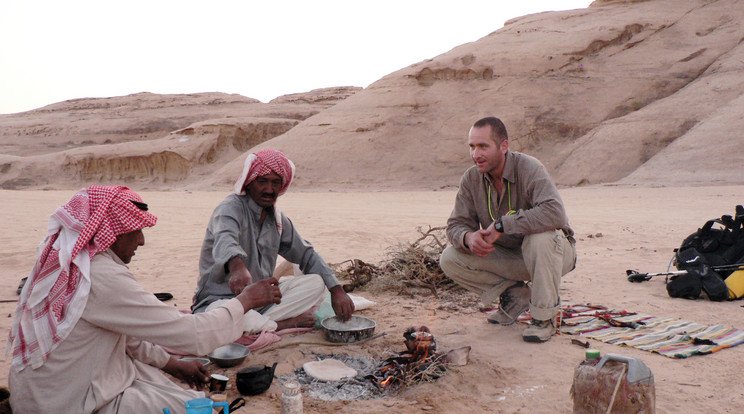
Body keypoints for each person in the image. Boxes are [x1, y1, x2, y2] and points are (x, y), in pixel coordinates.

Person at [7, 185, 281, 413]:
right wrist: (245, 301)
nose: (141, 241)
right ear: (110, 232)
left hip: (50, 390)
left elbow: (125, 334)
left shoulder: (74, 263)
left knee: (162, 383)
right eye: (134, 231)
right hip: (66, 402)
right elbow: (193, 333)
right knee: (193, 408)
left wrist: (172, 364)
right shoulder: (101, 276)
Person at [440, 117, 576, 343]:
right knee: (450, 258)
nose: (476, 154)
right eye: (472, 147)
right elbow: (455, 225)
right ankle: (515, 295)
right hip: (512, 258)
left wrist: (504, 224)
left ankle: (544, 318)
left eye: (483, 146)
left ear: (504, 146)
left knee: (539, 238)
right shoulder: (471, 178)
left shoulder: (530, 168)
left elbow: (555, 213)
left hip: (554, 253)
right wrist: (468, 237)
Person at [192, 149, 354, 333]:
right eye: (262, 182)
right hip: (221, 301)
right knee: (221, 318)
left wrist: (336, 290)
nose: (269, 190)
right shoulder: (230, 208)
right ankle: (279, 324)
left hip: (262, 300)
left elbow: (306, 254)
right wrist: (237, 266)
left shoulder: (277, 219)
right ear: (250, 182)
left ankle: (257, 324)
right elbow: (224, 238)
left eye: (275, 183)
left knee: (316, 283)